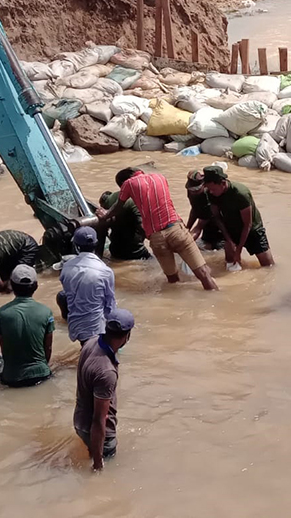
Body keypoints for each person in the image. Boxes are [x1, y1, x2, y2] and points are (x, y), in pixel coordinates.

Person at [99, 167, 218, 291]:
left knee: (172, 281)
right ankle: (215, 300)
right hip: (177, 230)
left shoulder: (128, 184)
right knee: (204, 274)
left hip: (157, 238)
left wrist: (105, 214)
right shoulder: (160, 177)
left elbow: (118, 207)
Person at [74, 309, 134, 471]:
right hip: (100, 434)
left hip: (80, 422)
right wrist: (98, 464)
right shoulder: (106, 372)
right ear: (127, 336)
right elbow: (99, 420)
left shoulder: (91, 342)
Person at [202, 166, 274, 268]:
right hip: (231, 229)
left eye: (213, 189)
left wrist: (238, 250)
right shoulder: (211, 193)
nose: (211, 192)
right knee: (229, 262)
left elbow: (247, 224)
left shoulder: (240, 194)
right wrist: (229, 241)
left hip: (253, 230)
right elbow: (217, 217)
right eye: (208, 189)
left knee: (268, 266)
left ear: (223, 183)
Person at [0, 265, 55, 388]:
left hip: (11, 378)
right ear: (36, 286)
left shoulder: (1, 314)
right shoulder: (46, 312)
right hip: (41, 374)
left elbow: (3, 347)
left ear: (11, 285)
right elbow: (48, 348)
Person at [57, 227, 116, 347]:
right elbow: (110, 304)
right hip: (97, 327)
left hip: (75, 326)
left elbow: (68, 293)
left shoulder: (66, 268)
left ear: (76, 245)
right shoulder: (105, 271)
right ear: (96, 244)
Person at [98, 184, 151, 261]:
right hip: (137, 251)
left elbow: (102, 231)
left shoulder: (109, 203)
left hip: (115, 251)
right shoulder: (133, 200)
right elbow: (142, 228)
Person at [185, 170, 224, 251]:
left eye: (196, 190)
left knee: (217, 250)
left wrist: (185, 243)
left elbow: (199, 227)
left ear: (204, 185)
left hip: (220, 223)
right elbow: (195, 210)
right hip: (207, 219)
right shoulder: (191, 191)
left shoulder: (209, 196)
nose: (194, 192)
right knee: (204, 242)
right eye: (191, 189)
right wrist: (187, 229)